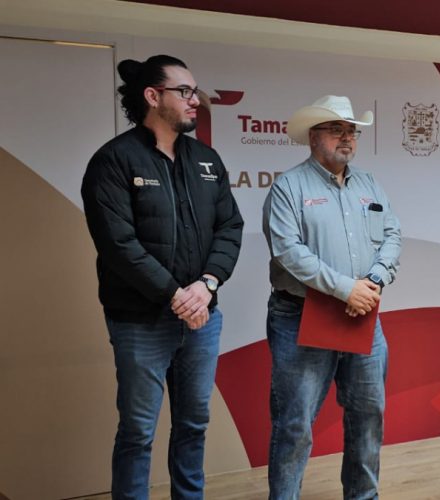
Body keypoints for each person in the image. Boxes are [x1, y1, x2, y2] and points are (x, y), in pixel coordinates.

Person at [81, 55, 244, 499]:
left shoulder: (207, 160)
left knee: (194, 425)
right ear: (153, 96)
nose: (196, 100)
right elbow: (119, 245)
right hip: (140, 321)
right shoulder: (114, 160)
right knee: (137, 432)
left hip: (202, 319)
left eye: (195, 91)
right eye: (184, 91)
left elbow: (230, 227)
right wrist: (177, 296)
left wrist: (207, 284)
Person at [262, 95, 401, 499]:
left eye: (352, 131)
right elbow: (288, 252)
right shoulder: (288, 187)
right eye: (337, 129)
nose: (347, 138)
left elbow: (392, 234)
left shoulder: (369, 183)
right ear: (313, 137)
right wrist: (346, 289)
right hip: (302, 316)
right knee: (295, 424)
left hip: (363, 315)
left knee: (368, 416)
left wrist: (374, 279)